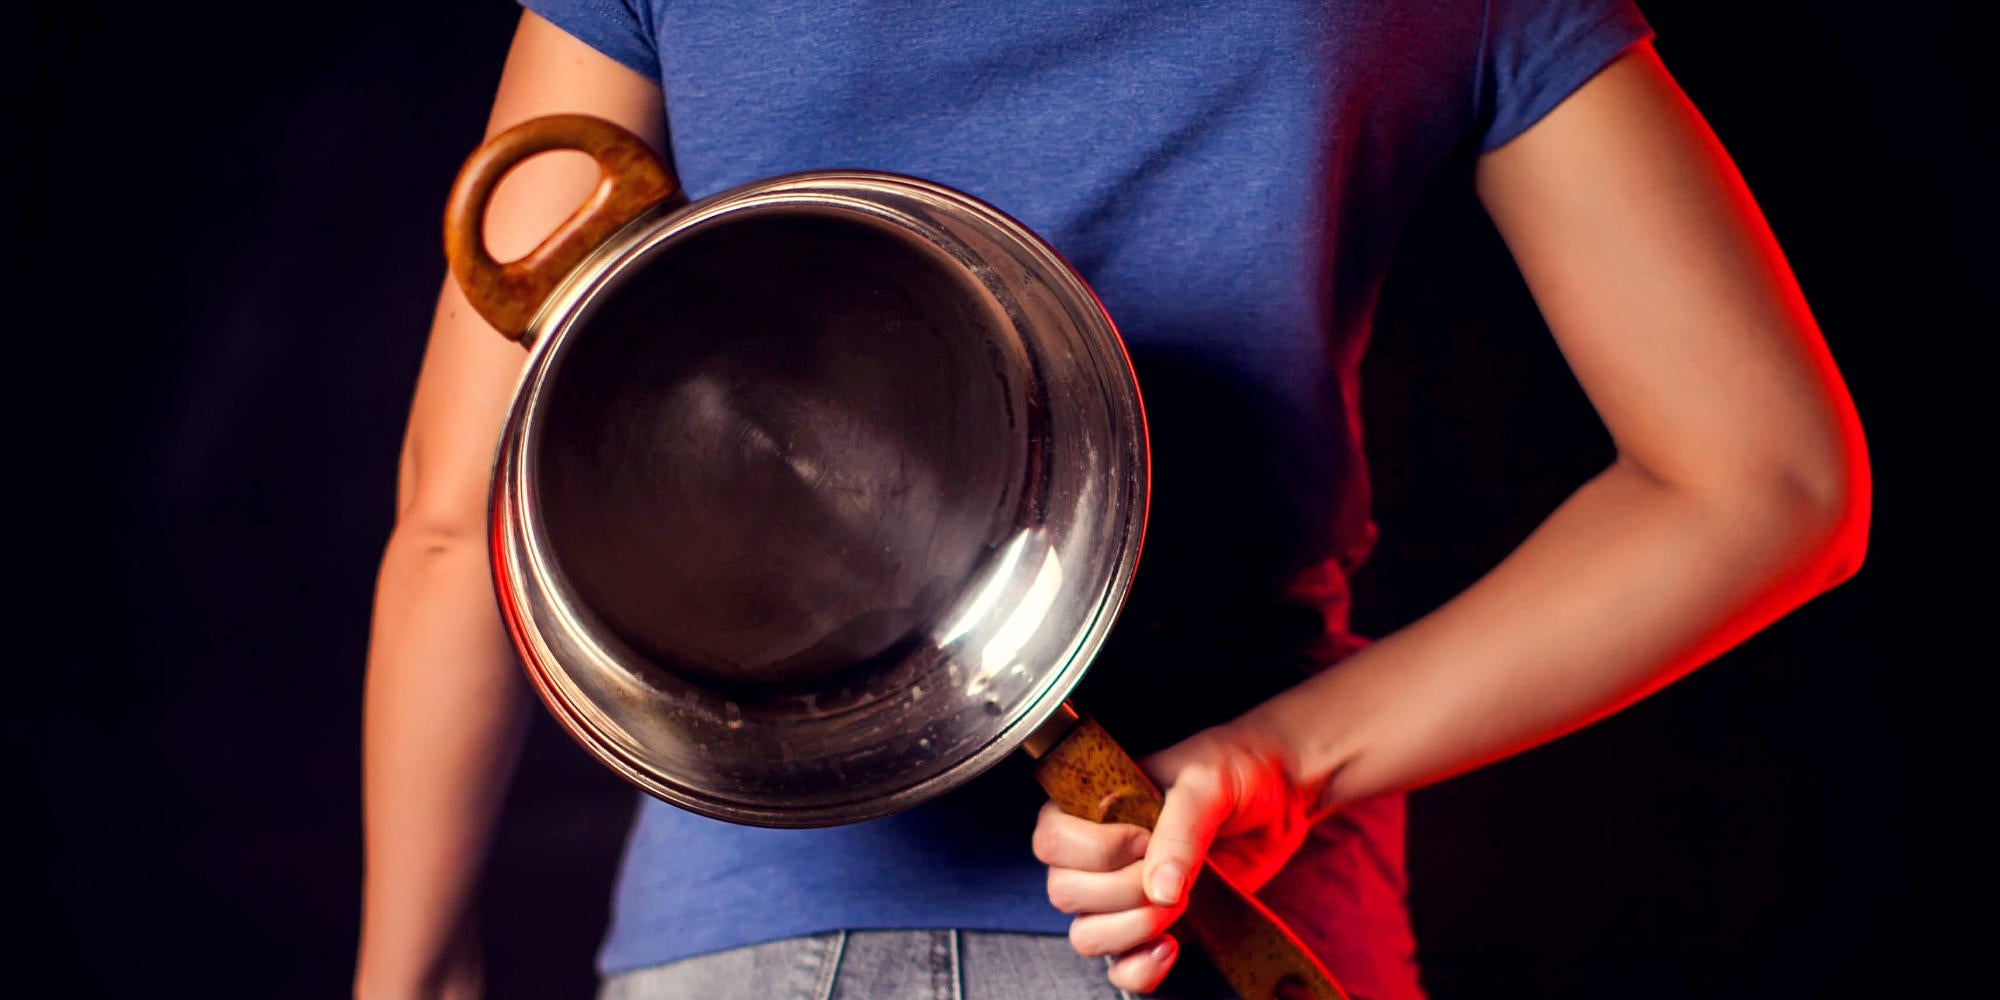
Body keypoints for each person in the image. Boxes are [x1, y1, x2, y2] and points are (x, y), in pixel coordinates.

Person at [354, 1, 1870, 997]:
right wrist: (1284, 763)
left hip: (754, 945)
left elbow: (456, 516)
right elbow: (1764, 479)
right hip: (1219, 933)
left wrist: (404, 982)